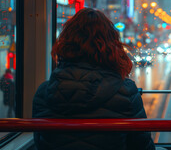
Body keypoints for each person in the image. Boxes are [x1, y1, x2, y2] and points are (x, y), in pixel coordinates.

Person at [32, 8, 155, 150]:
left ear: (65, 43)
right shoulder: (126, 92)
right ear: (112, 45)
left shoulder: (43, 92)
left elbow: (40, 143)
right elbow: (143, 146)